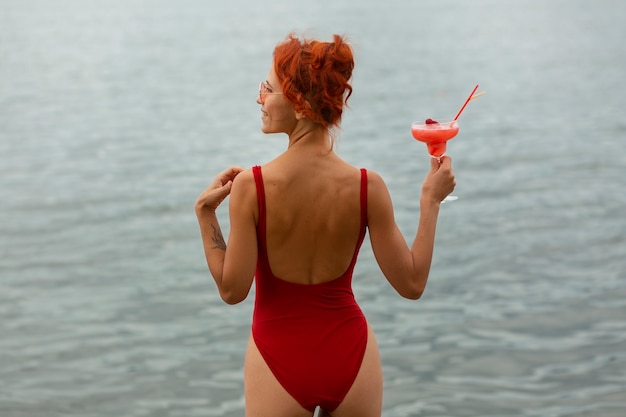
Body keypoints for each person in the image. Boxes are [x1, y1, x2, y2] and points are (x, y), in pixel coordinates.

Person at [195, 33, 456, 417]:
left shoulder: (253, 186)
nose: (259, 98)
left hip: (277, 357)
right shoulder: (369, 186)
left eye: (267, 88)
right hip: (351, 356)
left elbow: (233, 291)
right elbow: (412, 284)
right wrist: (430, 201)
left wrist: (205, 215)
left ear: (299, 104)